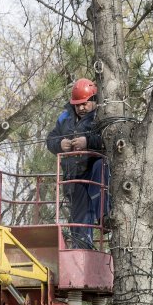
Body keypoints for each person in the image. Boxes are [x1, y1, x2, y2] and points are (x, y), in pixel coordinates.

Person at [46, 78, 108, 250]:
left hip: (95, 169)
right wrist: (60, 145)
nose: (81, 108)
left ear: (94, 100)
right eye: (77, 104)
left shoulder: (103, 115)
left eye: (85, 104)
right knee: (79, 219)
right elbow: (50, 139)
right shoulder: (65, 118)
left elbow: (109, 138)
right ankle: (81, 251)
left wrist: (88, 141)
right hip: (74, 175)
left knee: (99, 175)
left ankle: (105, 215)